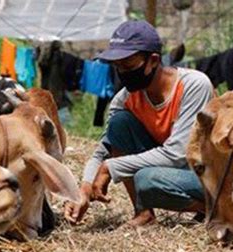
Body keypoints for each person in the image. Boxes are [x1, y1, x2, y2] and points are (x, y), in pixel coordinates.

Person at [64, 20, 213, 226]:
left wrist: (111, 168)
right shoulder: (125, 98)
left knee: (147, 179)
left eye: (128, 66)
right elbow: (102, 152)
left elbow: (177, 154)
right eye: (117, 67)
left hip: (208, 174)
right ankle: (143, 214)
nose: (122, 73)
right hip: (172, 170)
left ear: (152, 60)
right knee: (120, 124)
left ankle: (218, 208)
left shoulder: (194, 85)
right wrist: (84, 189)